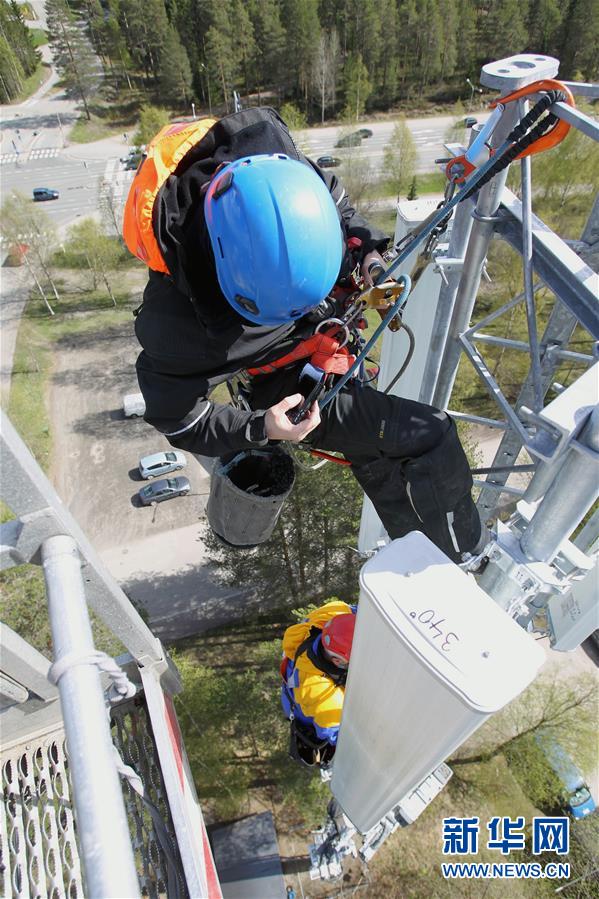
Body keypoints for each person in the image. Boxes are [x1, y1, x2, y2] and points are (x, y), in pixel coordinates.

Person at [124, 106, 486, 563]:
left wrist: (368, 260)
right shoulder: (177, 326)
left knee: (372, 451)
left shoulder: (287, 175)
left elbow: (346, 220)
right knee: (433, 435)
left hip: (325, 342)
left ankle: (420, 548)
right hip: (288, 391)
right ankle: (465, 551)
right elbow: (180, 420)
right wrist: (260, 426)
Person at [280, 601, 356, 768]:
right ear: (337, 661)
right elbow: (341, 737)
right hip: (308, 717)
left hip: (297, 688)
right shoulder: (321, 694)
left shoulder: (335, 615)